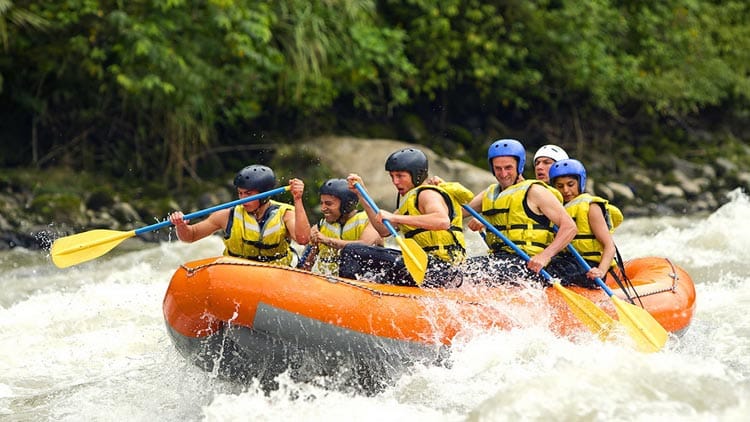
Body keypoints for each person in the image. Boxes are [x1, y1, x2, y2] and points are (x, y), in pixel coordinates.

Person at [339, 147, 469, 287]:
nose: (395, 181)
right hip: (427, 267)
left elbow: (442, 221)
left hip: (441, 269)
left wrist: (395, 218)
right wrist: (362, 194)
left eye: (400, 176)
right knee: (373, 264)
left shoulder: (427, 194)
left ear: (417, 175)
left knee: (353, 251)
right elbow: (383, 230)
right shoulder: (409, 202)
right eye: (392, 176)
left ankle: (349, 294)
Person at [462, 139, 577, 286]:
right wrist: (442, 192)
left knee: (471, 274)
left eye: (508, 168)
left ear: (519, 166)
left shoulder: (535, 191)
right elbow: (458, 212)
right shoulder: (490, 193)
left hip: (527, 263)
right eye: (498, 168)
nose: (503, 174)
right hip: (499, 260)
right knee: (460, 269)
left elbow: (570, 227)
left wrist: (544, 256)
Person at [168, 164, 311, 266]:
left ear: (264, 195)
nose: (243, 199)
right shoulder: (226, 215)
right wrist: (180, 225)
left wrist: (297, 199)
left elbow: (303, 239)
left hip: (275, 276)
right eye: (240, 193)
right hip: (237, 276)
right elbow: (191, 236)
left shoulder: (285, 214)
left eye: (248, 194)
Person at [549, 158, 624, 286]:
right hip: (566, 262)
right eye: (560, 186)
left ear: (580, 182)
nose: (566, 190)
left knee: (557, 271)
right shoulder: (555, 209)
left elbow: (609, 246)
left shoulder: (591, 207)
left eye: (570, 184)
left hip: (588, 266)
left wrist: (601, 271)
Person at [299, 178, 383, 274]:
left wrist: (327, 240)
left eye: (328, 204)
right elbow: (305, 266)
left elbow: (364, 245)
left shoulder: (371, 221)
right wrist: (313, 243)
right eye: (321, 203)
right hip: (327, 282)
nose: (323, 208)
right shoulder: (320, 226)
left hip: (363, 282)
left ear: (347, 204)